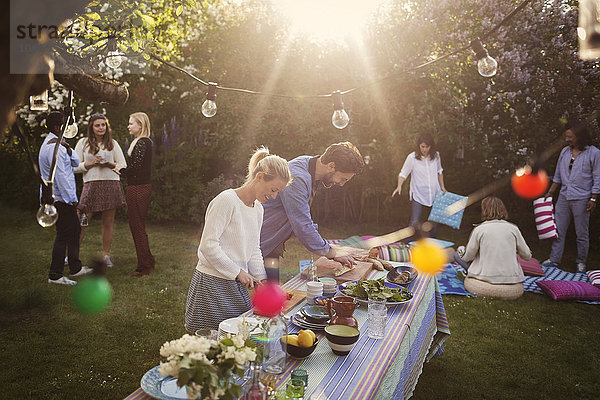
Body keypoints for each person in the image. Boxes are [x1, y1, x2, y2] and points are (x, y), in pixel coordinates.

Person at [185, 147, 292, 332]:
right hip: (211, 285)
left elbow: (253, 249)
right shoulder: (226, 201)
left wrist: (262, 280)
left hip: (235, 286)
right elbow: (207, 246)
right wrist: (237, 272)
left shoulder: (258, 209)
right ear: (259, 177)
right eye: (273, 189)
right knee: (211, 345)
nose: (274, 196)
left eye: (277, 193)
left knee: (239, 340)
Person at [260, 142, 365, 281]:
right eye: (343, 178)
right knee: (238, 294)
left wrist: (328, 246)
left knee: (271, 294)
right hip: (259, 240)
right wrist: (331, 252)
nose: (341, 184)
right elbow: (302, 226)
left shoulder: (310, 166)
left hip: (272, 245)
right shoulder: (297, 178)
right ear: (331, 166)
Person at [39, 111, 92, 285]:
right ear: (57, 127)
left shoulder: (58, 144)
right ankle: (55, 274)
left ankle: (75, 267)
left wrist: (68, 146)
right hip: (61, 198)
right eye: (65, 124)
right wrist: (74, 201)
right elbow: (61, 177)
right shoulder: (53, 148)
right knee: (63, 234)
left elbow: (76, 162)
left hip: (61, 197)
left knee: (75, 230)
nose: (68, 128)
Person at [543, 123, 600, 273]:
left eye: (570, 137)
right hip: (563, 196)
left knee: (581, 233)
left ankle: (581, 262)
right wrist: (550, 192)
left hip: (582, 198)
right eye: (566, 136)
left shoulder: (593, 153)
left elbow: (597, 177)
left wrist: (593, 199)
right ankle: (554, 259)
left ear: (579, 137)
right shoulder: (564, 152)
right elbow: (558, 175)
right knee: (558, 230)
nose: (567, 139)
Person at [74, 113, 127, 267]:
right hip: (91, 185)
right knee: (82, 221)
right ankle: (72, 255)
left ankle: (106, 256)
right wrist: (91, 163)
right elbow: (75, 166)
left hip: (111, 184)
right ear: (91, 126)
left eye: (103, 124)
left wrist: (109, 164)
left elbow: (123, 165)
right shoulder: (83, 143)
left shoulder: (113, 143)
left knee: (108, 222)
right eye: (97, 125)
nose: (101, 128)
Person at [454, 196, 532, 299]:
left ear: (484, 210)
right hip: (511, 278)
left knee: (457, 254)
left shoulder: (480, 229)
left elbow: (468, 257)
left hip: (484, 276)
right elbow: (527, 256)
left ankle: (466, 274)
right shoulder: (513, 228)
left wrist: (461, 250)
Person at [117, 112, 155, 277]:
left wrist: (121, 170)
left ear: (140, 125)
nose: (129, 126)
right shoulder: (141, 142)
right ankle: (148, 259)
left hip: (138, 188)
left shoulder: (142, 143)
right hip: (139, 187)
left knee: (137, 225)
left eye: (131, 123)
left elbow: (136, 169)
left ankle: (144, 266)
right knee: (138, 224)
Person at [392, 133, 447, 237]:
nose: (425, 149)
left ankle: (432, 246)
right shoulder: (412, 157)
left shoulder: (436, 156)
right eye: (422, 146)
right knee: (414, 221)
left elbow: (440, 171)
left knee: (434, 222)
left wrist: (443, 187)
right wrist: (399, 186)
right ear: (419, 146)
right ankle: (407, 245)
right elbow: (403, 174)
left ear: (431, 146)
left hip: (435, 193)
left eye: (427, 146)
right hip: (418, 193)